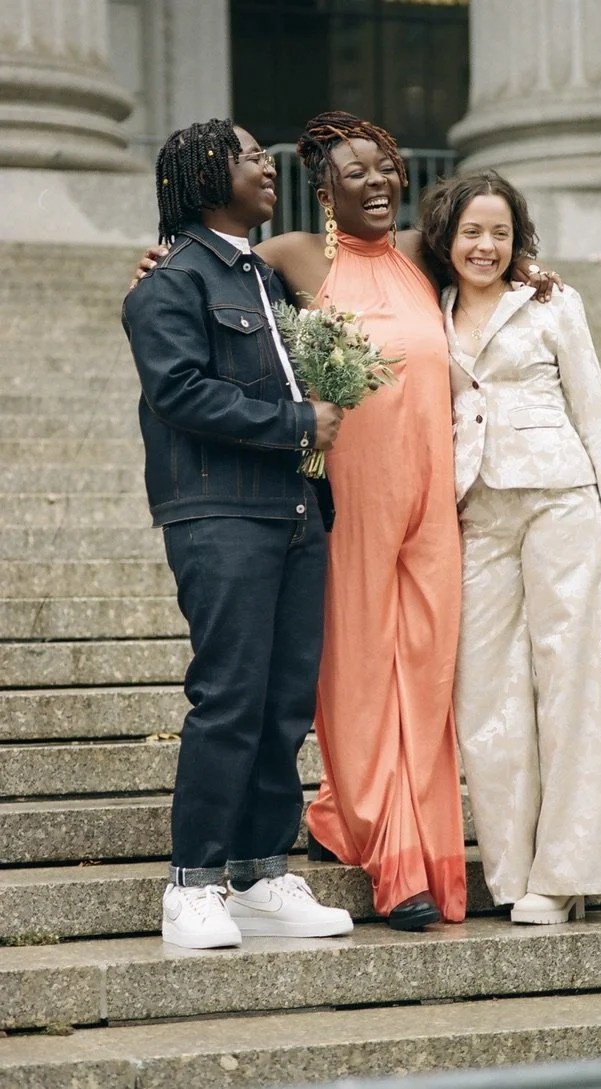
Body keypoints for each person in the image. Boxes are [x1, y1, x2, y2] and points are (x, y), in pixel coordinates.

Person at [132, 112, 560, 931]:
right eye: (354, 170)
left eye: (386, 167)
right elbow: (192, 298)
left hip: (426, 495)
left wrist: (535, 273)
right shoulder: (283, 259)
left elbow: (489, 252)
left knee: (411, 677)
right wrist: (155, 260)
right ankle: (376, 862)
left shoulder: (418, 254)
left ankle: (342, 841)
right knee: (330, 680)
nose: (376, 180)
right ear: (323, 187)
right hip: (340, 494)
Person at [122, 118, 353, 949]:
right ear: (202, 176)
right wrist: (299, 424)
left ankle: (259, 873)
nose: (267, 164)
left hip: (294, 512)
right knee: (229, 697)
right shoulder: (169, 284)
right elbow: (180, 391)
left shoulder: (266, 277)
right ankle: (192, 883)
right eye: (249, 155)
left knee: (284, 701)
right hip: (219, 513)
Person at [419, 170, 601, 925]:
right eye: (472, 232)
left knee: (568, 682)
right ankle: (514, 870)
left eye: (501, 232)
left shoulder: (552, 299)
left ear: (518, 238)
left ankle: (568, 869)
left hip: (561, 502)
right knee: (484, 691)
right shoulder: (431, 303)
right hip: (478, 513)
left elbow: (596, 415)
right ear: (448, 237)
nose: (486, 246)